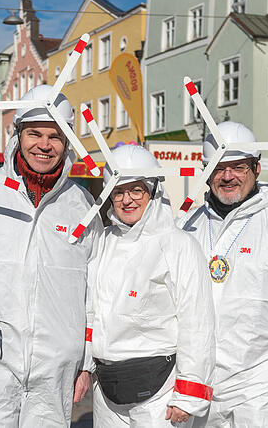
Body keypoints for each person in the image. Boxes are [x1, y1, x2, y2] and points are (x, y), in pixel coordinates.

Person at [0, 85, 101, 427]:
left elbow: (95, 289)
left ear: (67, 142)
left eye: (55, 136)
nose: (44, 145)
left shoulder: (82, 205)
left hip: (56, 367)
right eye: (35, 134)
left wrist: (87, 363)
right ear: (18, 135)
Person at [176, 122, 268, 428]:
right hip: (195, 384)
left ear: (256, 169)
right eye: (218, 168)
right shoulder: (186, 226)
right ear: (206, 172)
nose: (227, 176)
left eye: (238, 167)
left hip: (258, 387)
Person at [89, 145, 216, 428]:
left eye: (137, 190)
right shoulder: (103, 241)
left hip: (159, 391)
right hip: (107, 387)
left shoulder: (178, 245)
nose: (127, 200)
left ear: (154, 191)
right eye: (119, 192)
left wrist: (190, 394)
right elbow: (90, 309)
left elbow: (197, 321)